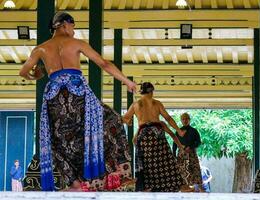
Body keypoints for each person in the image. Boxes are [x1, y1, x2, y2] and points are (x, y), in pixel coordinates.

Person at [19, 11, 136, 191]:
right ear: (64, 24)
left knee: (55, 140)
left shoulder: (40, 49)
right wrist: (127, 81)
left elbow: (23, 72)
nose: (74, 30)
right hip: (77, 95)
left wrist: (36, 76)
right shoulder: (76, 43)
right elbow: (104, 64)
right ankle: (120, 171)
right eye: (73, 26)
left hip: (54, 97)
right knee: (111, 118)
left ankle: (75, 184)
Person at [122, 82, 188, 192]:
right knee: (167, 161)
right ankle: (181, 185)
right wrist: (179, 130)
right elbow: (168, 118)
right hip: (157, 133)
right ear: (151, 91)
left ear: (142, 92)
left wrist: (128, 121)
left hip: (143, 135)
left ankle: (147, 186)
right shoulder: (156, 103)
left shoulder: (135, 105)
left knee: (147, 163)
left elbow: (124, 118)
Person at [172, 112, 202, 190]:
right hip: (181, 154)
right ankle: (185, 187)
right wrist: (174, 155)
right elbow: (174, 144)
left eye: (187, 119)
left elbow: (198, 142)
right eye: (183, 119)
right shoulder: (178, 131)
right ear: (181, 120)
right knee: (182, 170)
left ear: (189, 120)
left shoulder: (194, 131)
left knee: (195, 169)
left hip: (192, 153)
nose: (185, 120)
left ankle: (199, 187)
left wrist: (191, 147)